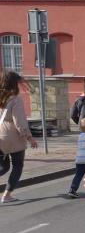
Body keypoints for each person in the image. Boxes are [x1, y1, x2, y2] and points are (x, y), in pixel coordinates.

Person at [0, 70, 38, 203]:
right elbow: (20, 122)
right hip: (13, 138)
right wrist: (30, 138)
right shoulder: (15, 99)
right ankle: (7, 195)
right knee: (17, 166)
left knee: (3, 167)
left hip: (0, 137)